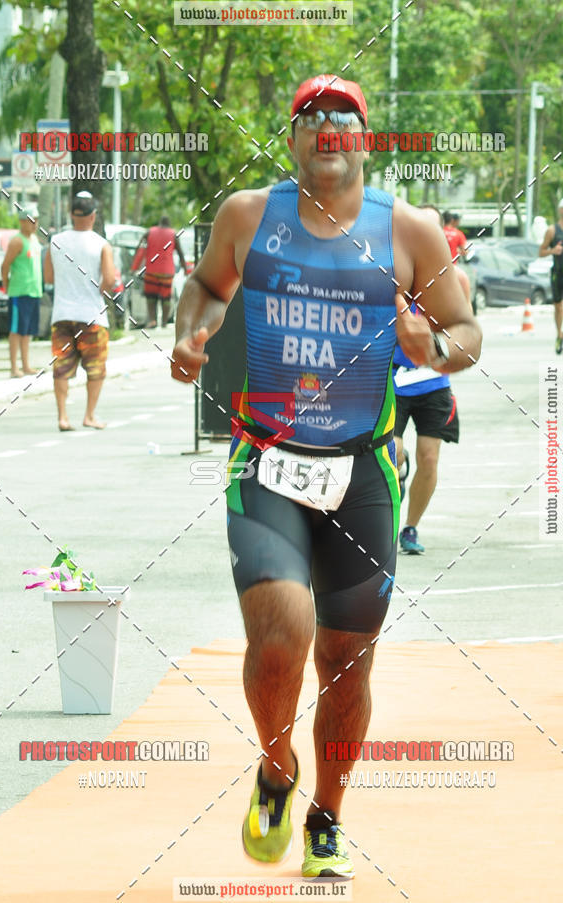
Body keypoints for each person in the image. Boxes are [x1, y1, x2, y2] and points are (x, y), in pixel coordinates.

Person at [171, 73, 481, 879]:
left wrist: (433, 350)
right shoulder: (248, 215)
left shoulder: (407, 232)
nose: (328, 131)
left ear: (365, 139)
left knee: (347, 668)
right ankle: (277, 771)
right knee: (282, 633)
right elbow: (205, 287)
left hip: (365, 473)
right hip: (267, 462)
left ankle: (327, 817)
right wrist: (193, 334)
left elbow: (466, 329)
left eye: (345, 118)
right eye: (312, 118)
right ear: (295, 137)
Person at [394, 205, 473, 554]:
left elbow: (463, 333)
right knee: (392, 453)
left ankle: (410, 528)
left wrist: (442, 346)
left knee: (429, 459)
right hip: (392, 380)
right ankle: (383, 520)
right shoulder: (392, 273)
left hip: (433, 383)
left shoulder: (454, 281)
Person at [43, 192, 116, 431]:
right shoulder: (101, 244)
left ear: (70, 214)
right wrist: (99, 291)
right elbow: (110, 280)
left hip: (62, 315)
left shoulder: (55, 241)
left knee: (61, 368)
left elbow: (48, 277)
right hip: (93, 316)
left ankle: (62, 417)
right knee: (96, 369)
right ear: (93, 215)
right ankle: (89, 415)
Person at [1, 207, 43, 378]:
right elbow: (5, 266)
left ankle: (26, 365)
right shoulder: (16, 241)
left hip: (34, 291)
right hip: (19, 292)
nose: (34, 224)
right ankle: (14, 367)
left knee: (27, 331)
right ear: (22, 222)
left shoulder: (34, 240)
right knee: (16, 330)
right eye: (31, 220)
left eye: (36, 219)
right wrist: (7, 285)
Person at [132, 215, 187, 328]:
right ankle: (164, 322)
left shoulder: (149, 232)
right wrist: (185, 269)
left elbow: (139, 248)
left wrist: (135, 265)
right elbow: (181, 253)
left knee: (151, 296)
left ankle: (152, 320)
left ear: (159, 223)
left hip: (151, 270)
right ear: (169, 224)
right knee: (166, 298)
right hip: (167, 272)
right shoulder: (173, 234)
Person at [538, 198, 563, 354]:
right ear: (561, 210)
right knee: (559, 307)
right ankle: (559, 334)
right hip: (558, 272)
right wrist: (553, 251)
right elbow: (541, 252)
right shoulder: (552, 231)